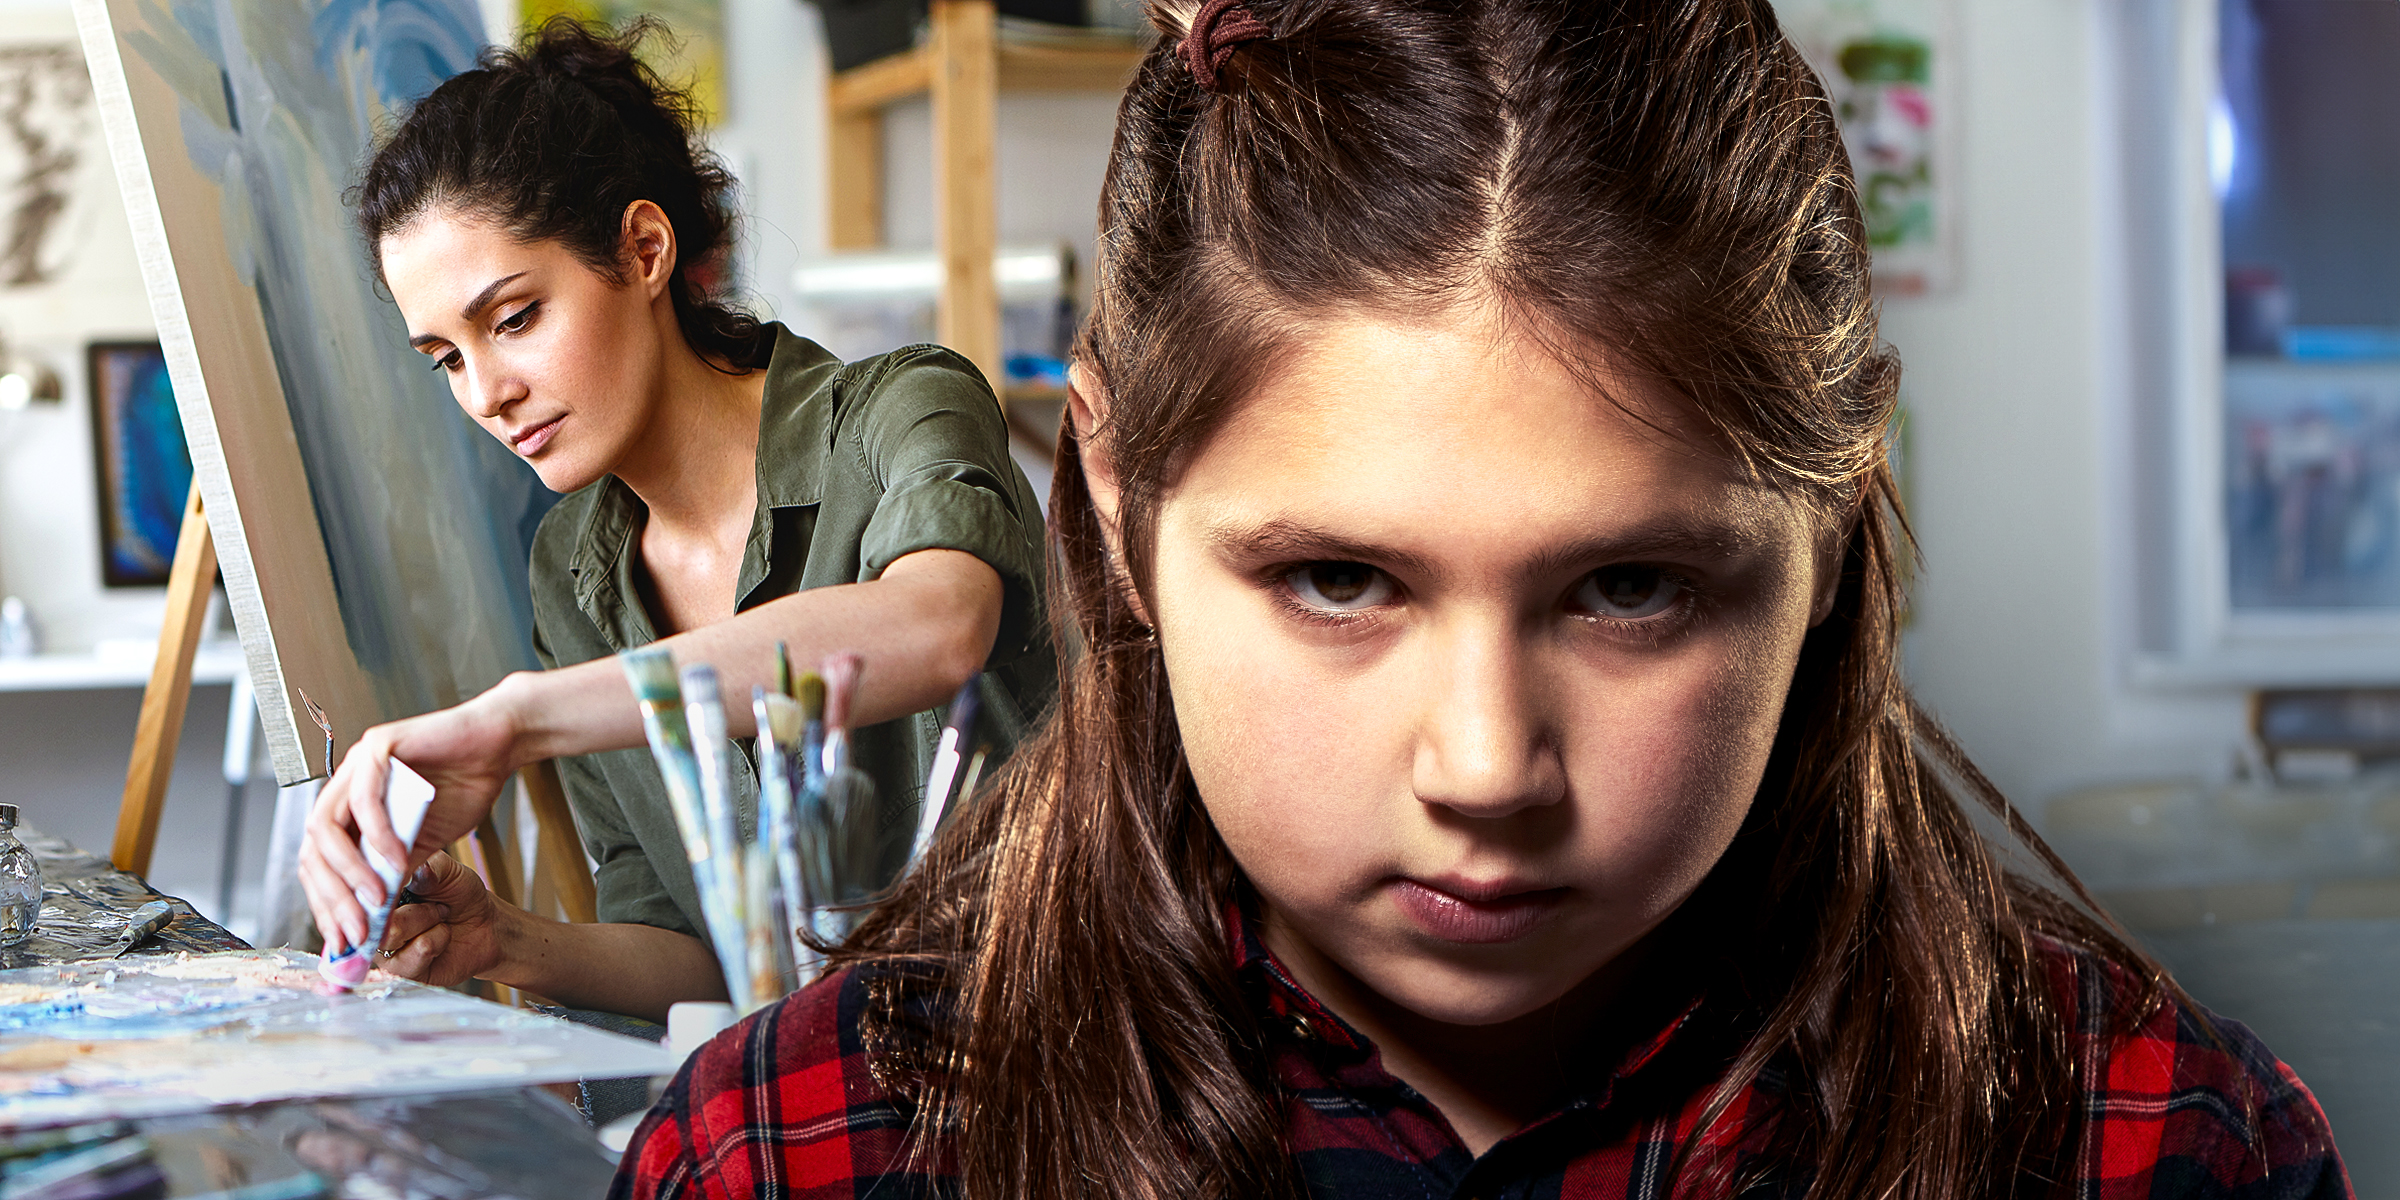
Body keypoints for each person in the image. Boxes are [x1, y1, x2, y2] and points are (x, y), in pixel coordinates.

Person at [615, 0, 2351, 1195]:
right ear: (1126, 506)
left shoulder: (2162, 1146)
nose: (1487, 767)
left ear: (1829, 522)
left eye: (1630, 589)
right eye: (1342, 580)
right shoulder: (801, 1154)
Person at [295, 19, 1057, 1023]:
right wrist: (502, 939)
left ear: (645, 250)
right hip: (811, 1114)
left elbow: (937, 626)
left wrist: (519, 719)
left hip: (1038, 1074)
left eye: (514, 318)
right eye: (445, 358)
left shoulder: (900, 408)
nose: (486, 393)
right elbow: (703, 964)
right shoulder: (574, 572)